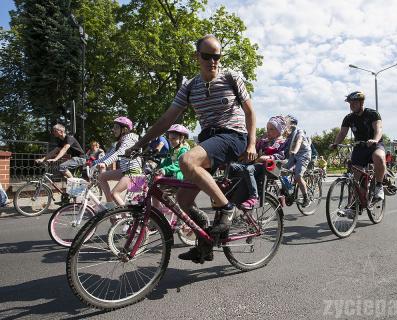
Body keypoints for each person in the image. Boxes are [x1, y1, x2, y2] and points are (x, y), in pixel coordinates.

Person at [127, 34, 257, 263]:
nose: (212, 61)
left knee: (187, 161)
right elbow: (166, 120)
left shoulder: (231, 77)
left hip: (233, 135)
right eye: (207, 56)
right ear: (197, 56)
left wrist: (253, 143)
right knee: (183, 200)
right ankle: (206, 242)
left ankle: (227, 209)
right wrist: (139, 143)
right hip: (209, 139)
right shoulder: (190, 87)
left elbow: (249, 112)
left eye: (216, 56)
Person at [331, 91, 386, 200]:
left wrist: (374, 140)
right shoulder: (348, 118)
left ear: (361, 103)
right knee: (356, 179)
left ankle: (379, 186)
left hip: (374, 145)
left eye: (354, 103)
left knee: (378, 157)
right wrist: (335, 143)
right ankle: (355, 206)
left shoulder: (372, 113)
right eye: (350, 104)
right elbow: (342, 133)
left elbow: (378, 129)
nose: (351, 106)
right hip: (359, 147)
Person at [230, 116, 287, 210]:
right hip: (256, 164)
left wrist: (268, 157)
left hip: (268, 167)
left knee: (249, 169)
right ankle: (232, 191)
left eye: (271, 129)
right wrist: (245, 154)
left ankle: (254, 196)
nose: (268, 131)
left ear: (279, 131)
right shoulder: (263, 142)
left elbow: (281, 156)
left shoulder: (281, 143)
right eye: (267, 128)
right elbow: (253, 151)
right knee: (233, 167)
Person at [94, 117, 142, 208]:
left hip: (133, 172)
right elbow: (108, 155)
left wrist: (105, 163)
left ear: (124, 129)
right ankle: (110, 206)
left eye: (116, 127)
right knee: (101, 177)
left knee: (114, 193)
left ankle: (126, 217)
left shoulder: (129, 139)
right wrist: (93, 162)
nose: (113, 130)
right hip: (125, 171)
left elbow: (120, 152)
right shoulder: (120, 142)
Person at [284, 115, 312, 207]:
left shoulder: (299, 131)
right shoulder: (288, 133)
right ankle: (287, 189)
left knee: (298, 176)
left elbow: (299, 141)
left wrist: (295, 150)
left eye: (287, 122)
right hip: (294, 154)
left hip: (303, 154)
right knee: (282, 169)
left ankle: (306, 198)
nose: (285, 124)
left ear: (293, 124)